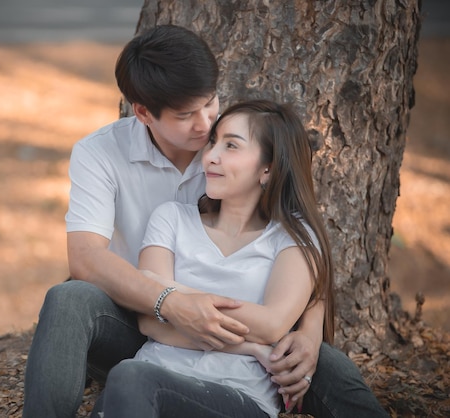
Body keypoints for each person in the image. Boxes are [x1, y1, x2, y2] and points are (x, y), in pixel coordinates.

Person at [22, 25, 388, 418]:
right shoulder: (101, 154)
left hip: (244, 342)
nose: (204, 124)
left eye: (210, 102)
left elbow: (302, 249)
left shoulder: (232, 145)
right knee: (69, 299)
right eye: (185, 115)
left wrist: (310, 330)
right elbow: (86, 259)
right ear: (143, 112)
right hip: (141, 322)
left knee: (320, 363)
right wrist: (171, 303)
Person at [92, 99, 334, 417]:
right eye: (213, 142)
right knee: (127, 379)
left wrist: (177, 294)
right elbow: (150, 320)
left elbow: (272, 325)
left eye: (231, 146)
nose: (210, 157)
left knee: (129, 376)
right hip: (150, 379)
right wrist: (250, 345)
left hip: (236, 394)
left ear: (268, 168)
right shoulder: (172, 218)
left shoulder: (292, 236)